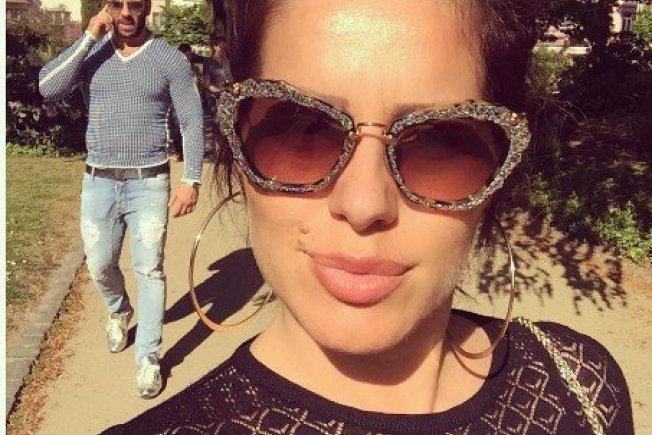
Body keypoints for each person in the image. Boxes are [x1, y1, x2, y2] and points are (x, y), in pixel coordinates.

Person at [104, 0, 633, 432]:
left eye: (440, 143)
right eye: (300, 130)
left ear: (501, 169)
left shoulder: (582, 387)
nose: (363, 206)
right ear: (240, 146)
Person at [39, 0, 204, 399]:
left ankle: (148, 357)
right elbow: (49, 88)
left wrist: (192, 179)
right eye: (118, 4)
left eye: (136, 4)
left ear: (147, 6)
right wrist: (88, 36)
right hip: (99, 181)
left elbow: (191, 119)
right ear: (106, 7)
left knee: (150, 270)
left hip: (149, 182)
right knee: (99, 265)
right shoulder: (93, 53)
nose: (127, 13)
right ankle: (119, 311)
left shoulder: (168, 58)